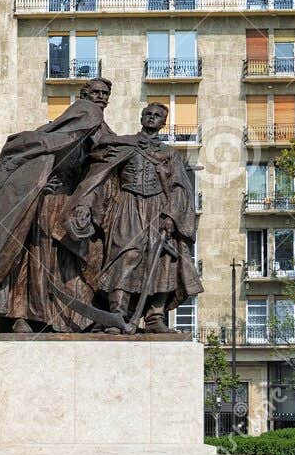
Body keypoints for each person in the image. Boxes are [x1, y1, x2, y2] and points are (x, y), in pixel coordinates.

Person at [0, 77, 118, 330]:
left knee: (81, 259)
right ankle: (21, 315)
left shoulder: (100, 135)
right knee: (34, 258)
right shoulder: (61, 131)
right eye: (96, 92)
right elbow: (31, 156)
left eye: (105, 94)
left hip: (74, 207)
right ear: (84, 95)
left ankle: (77, 317)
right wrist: (41, 185)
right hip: (47, 203)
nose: (101, 97)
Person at [69, 101, 201, 333]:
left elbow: (180, 186)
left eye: (157, 115)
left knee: (160, 260)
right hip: (127, 206)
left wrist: (171, 215)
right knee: (125, 255)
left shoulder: (170, 154)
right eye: (148, 114)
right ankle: (117, 314)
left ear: (163, 122)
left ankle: (154, 318)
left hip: (159, 209)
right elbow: (100, 173)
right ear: (141, 118)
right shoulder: (124, 144)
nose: (151, 118)